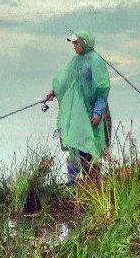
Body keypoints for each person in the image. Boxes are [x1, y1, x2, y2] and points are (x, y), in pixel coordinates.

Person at [43, 30, 111, 183]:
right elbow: (65, 80)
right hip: (79, 112)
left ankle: (94, 181)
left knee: (91, 145)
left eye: (76, 43)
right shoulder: (76, 60)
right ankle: (86, 181)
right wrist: (53, 92)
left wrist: (98, 112)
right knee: (79, 143)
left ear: (85, 43)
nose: (74, 46)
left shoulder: (95, 61)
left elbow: (102, 89)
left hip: (93, 110)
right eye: (73, 43)